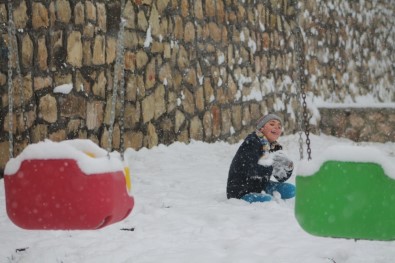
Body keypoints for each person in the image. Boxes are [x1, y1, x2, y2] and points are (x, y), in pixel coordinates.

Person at [226, 113, 295, 202]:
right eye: (272, 124)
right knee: (268, 200)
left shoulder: (275, 147)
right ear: (261, 128)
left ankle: (264, 192)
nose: (277, 128)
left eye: (279, 126)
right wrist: (271, 165)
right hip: (241, 190)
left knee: (291, 190)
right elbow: (251, 170)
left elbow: (281, 178)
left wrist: (287, 168)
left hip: (261, 185)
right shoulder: (252, 142)